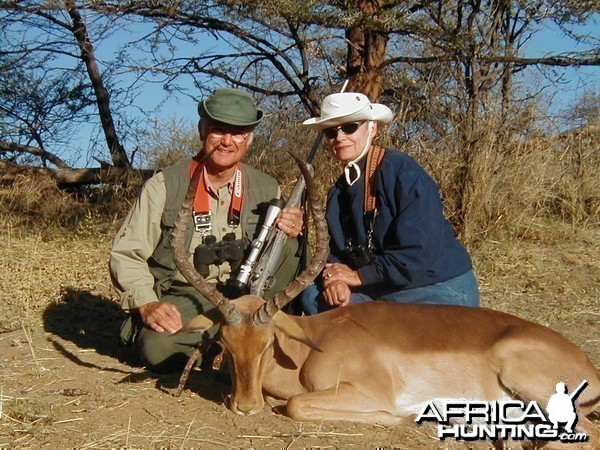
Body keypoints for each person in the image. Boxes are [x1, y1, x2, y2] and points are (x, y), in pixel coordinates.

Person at [110, 88, 304, 372]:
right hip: (190, 296)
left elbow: (280, 255)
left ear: (249, 139)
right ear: (202, 130)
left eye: (238, 133)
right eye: (218, 130)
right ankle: (232, 349)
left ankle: (240, 341)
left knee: (293, 247)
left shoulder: (267, 186)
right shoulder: (165, 184)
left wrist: (294, 228)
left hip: (249, 294)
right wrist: (148, 304)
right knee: (157, 348)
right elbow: (127, 254)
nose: (227, 141)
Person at [299, 92, 479, 314]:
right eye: (330, 132)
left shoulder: (402, 171)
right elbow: (336, 253)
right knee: (313, 298)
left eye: (349, 127)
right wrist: (335, 281)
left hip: (434, 286)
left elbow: (417, 252)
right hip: (385, 285)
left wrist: (357, 276)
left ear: (372, 128)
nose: (340, 137)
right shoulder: (338, 192)